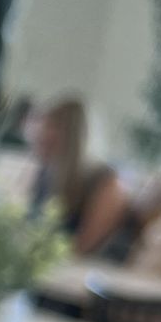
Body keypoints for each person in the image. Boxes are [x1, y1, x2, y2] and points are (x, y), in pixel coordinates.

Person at [28, 97, 134, 259]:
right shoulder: (48, 175)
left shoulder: (108, 183)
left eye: (46, 141)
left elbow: (81, 250)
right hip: (51, 265)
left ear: (70, 139)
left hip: (88, 272)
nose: (37, 143)